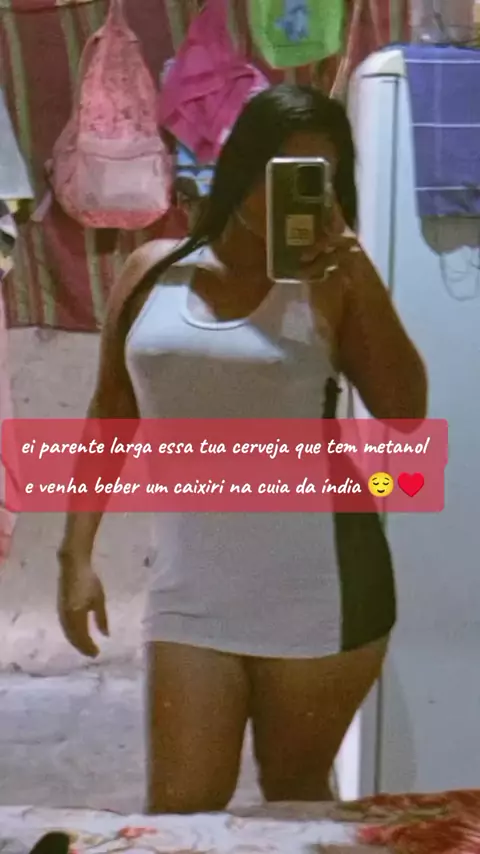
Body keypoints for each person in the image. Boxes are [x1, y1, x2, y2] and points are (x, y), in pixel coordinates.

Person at [57, 85, 427, 814]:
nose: (290, 192)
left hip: (321, 583)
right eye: (279, 168)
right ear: (242, 165)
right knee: (179, 815)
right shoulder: (153, 271)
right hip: (190, 588)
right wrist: (76, 554)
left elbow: (406, 414)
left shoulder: (335, 283)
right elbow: (110, 414)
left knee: (292, 801)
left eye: (316, 178)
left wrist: (356, 269)